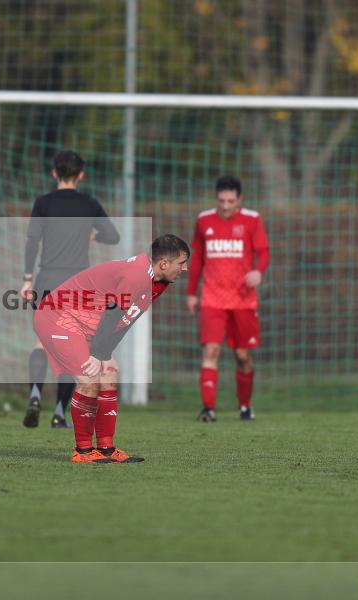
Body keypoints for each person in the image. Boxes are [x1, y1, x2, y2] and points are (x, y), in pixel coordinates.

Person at [34, 235, 190, 463]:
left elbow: (126, 319)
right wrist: (98, 354)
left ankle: (106, 449)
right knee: (89, 378)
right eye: (182, 262)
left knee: (108, 375)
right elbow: (114, 313)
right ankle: (84, 451)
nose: (185, 268)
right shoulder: (137, 275)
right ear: (164, 264)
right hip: (58, 316)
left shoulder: (158, 282)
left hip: (85, 325)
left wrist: (105, 355)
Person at [20, 150, 119, 429]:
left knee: (41, 343)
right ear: (81, 175)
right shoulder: (89, 204)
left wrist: (27, 279)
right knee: (71, 348)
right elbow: (113, 235)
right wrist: (93, 234)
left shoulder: (43, 203)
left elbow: (31, 242)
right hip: (78, 285)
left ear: (54, 173)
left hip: (47, 281)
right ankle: (60, 413)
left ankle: (35, 394)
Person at [186, 175, 269, 422]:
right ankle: (208, 409)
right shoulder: (204, 221)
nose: (225, 206)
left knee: (243, 356)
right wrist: (191, 293)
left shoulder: (252, 220)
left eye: (230, 201)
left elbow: (263, 252)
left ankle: (245, 406)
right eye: (221, 200)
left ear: (239, 199)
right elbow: (198, 258)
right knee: (211, 351)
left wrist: (258, 271)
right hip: (212, 298)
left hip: (243, 300)